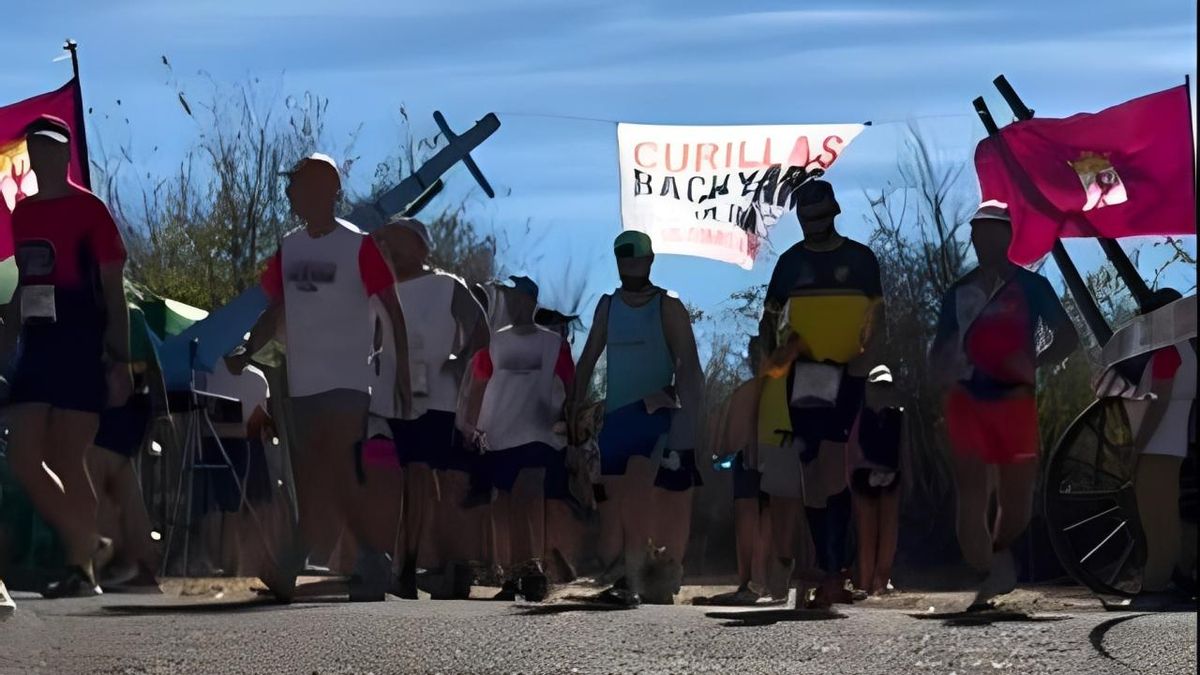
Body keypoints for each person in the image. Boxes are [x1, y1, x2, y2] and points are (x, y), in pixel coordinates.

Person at [230, 153, 412, 602]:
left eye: (298, 184)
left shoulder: (358, 245)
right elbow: (277, 308)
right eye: (291, 186)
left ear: (325, 190)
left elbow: (391, 306)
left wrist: (401, 368)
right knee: (316, 478)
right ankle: (367, 566)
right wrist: (248, 349)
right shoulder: (290, 247)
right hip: (304, 383)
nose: (291, 193)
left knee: (335, 472)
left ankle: (300, 568)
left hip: (348, 382)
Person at [1, 115, 132, 597]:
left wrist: (122, 360)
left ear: (66, 153)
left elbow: (115, 293)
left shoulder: (90, 209)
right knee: (22, 455)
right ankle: (86, 543)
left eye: (51, 147)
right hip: (37, 345)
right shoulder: (24, 212)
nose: (41, 156)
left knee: (68, 454)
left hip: (82, 340)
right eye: (34, 148)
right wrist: (8, 336)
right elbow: (25, 284)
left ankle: (82, 567)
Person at [930, 203, 1078, 606]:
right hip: (966, 400)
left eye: (989, 231)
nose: (981, 239)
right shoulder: (959, 292)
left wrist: (1032, 362)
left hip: (1014, 398)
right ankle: (986, 574)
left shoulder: (1031, 287)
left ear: (1007, 236)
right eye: (977, 232)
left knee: (1017, 500)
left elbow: (1067, 338)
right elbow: (939, 350)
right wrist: (943, 376)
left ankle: (997, 559)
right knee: (971, 490)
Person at [753, 179, 884, 605]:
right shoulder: (790, 263)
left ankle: (835, 567)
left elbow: (879, 319)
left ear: (834, 213)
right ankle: (829, 567)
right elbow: (769, 321)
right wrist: (774, 358)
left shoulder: (862, 259)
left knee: (836, 468)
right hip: (806, 375)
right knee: (813, 470)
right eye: (806, 219)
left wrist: (871, 359)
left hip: (850, 373)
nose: (813, 225)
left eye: (820, 217)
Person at [570, 231, 703, 603]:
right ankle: (636, 569)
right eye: (623, 260)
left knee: (640, 487)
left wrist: (691, 424)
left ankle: (638, 577)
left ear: (649, 260)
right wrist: (574, 408)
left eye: (636, 259)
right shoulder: (608, 306)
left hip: (654, 412)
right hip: (615, 418)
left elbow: (690, 368)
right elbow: (588, 360)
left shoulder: (667, 305)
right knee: (615, 504)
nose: (630, 266)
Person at [370, 215, 489, 599]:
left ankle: (411, 565)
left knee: (422, 473)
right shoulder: (380, 290)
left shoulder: (445, 284)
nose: (391, 247)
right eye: (388, 240)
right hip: (393, 396)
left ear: (422, 246)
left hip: (435, 395)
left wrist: (462, 360)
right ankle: (421, 564)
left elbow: (480, 328)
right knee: (409, 476)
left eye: (400, 239)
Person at [463, 276, 574, 601]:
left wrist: (569, 422)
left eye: (516, 297)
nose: (512, 303)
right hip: (498, 435)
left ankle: (533, 568)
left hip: (538, 432)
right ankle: (512, 574)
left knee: (529, 495)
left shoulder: (552, 343)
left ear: (530, 300)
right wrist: (471, 425)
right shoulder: (495, 342)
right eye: (508, 297)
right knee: (505, 504)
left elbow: (569, 384)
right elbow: (479, 382)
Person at [1123, 288, 1194, 603]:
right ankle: (1170, 576)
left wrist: (1137, 445)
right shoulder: (1188, 350)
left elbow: (1159, 400)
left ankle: (1154, 585)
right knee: (1167, 517)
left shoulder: (1167, 351)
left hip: (1157, 444)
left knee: (1155, 520)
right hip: (1174, 444)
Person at [88, 367, 161, 591]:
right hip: (133, 404)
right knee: (122, 490)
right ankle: (139, 562)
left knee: (102, 487)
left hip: (113, 407)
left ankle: (121, 560)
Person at [847, 365, 906, 597]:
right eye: (877, 385)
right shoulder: (860, 416)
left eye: (885, 385)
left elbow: (903, 448)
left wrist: (901, 475)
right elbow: (852, 451)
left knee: (889, 530)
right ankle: (865, 582)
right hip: (864, 477)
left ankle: (881, 581)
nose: (881, 389)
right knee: (866, 531)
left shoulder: (898, 416)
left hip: (891, 475)